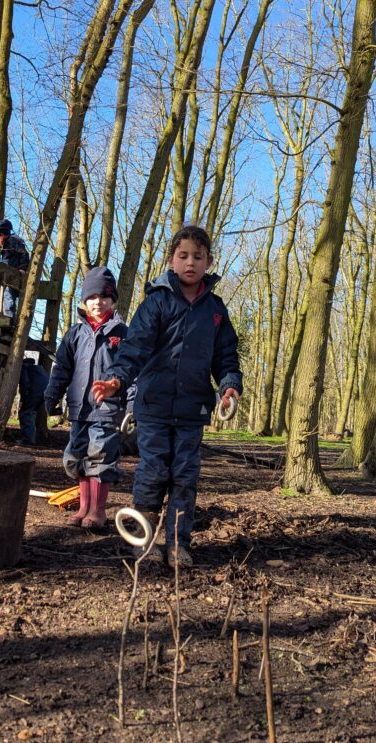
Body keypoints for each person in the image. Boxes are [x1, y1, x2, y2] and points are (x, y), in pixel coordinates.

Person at [92, 224, 242, 568]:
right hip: (154, 408)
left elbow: (226, 356)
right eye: (183, 255)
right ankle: (143, 543)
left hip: (192, 410)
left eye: (198, 257)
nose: (190, 262)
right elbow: (134, 349)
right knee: (153, 472)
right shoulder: (156, 302)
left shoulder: (215, 310)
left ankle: (177, 545)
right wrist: (116, 379)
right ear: (172, 260)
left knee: (184, 477)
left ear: (208, 262)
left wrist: (230, 384)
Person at [44, 267, 129, 529]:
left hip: (107, 409)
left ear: (112, 300)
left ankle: (98, 511)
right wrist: (52, 394)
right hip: (79, 408)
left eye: (104, 297)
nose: (98, 302)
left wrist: (132, 407)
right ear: (84, 300)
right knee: (76, 456)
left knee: (100, 456)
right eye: (92, 297)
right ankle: (83, 507)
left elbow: (131, 371)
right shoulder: (74, 334)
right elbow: (62, 368)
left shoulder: (121, 333)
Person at [0, 218, 30, 318]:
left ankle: (9, 319)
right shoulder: (7, 244)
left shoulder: (12, 241)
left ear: (2, 235)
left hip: (13, 276)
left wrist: (22, 268)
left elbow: (24, 254)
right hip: (7, 273)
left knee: (8, 295)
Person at [17, 356, 49, 446]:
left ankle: (28, 440)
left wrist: (23, 396)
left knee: (25, 414)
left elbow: (24, 382)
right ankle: (31, 438)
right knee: (32, 413)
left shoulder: (25, 367)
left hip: (34, 393)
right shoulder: (40, 369)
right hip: (44, 394)